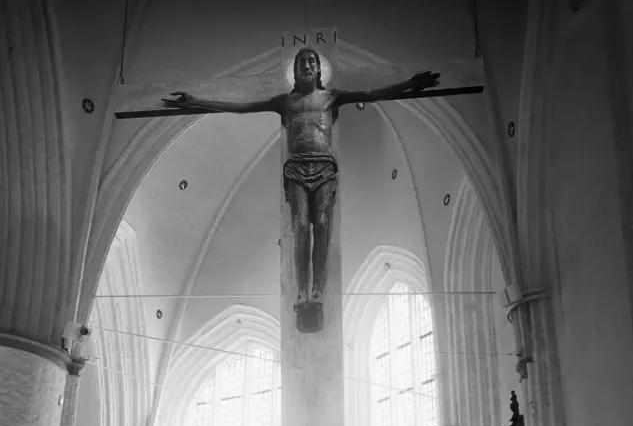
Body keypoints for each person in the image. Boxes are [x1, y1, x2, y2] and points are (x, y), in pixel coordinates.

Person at [163, 49, 439, 317]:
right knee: (301, 228)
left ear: (318, 70)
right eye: (302, 62)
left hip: (324, 167)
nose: (307, 66)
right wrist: (196, 101)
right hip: (296, 168)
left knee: (322, 225)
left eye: (311, 62)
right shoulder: (285, 102)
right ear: (295, 71)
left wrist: (410, 84)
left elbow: (370, 95)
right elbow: (242, 108)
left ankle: (317, 290)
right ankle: (301, 291)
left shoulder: (331, 97)